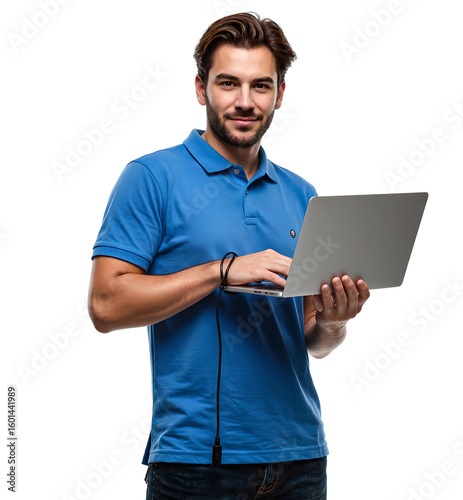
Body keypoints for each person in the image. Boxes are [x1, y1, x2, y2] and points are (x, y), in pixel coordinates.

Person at [88, 12, 370, 500]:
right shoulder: (152, 177)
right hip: (197, 464)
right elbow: (106, 306)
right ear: (201, 89)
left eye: (261, 86)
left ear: (280, 94)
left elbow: (313, 341)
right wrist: (222, 271)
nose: (244, 101)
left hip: (300, 458)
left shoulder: (303, 194)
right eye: (228, 83)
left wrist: (335, 321)